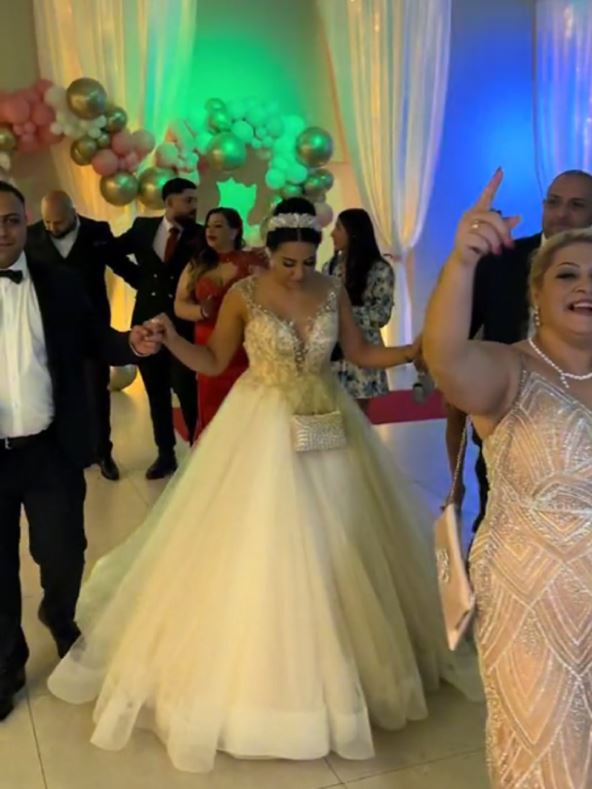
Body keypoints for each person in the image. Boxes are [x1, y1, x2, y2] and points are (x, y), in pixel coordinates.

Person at [48, 198, 481, 773]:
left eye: (307, 262)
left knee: (342, 539)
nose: (298, 273)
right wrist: (170, 340)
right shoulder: (244, 295)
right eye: (287, 262)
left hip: (328, 420)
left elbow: (358, 352)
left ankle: (350, 668)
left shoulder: (331, 289)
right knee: (266, 544)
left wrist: (410, 350)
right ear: (268, 252)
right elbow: (213, 361)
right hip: (262, 423)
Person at [423, 168, 592, 787]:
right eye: (567, 275)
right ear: (535, 294)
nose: (585, 286)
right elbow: (446, 360)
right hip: (533, 601)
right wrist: (461, 263)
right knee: (550, 759)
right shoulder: (507, 369)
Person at [0, 181, 161, 722]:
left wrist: (130, 342)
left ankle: (59, 614)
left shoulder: (59, 282)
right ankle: (7, 663)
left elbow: (97, 337)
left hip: (50, 448)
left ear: (26, 224)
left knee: (64, 551)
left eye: (11, 220)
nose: (3, 231)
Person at [444, 169, 592, 524]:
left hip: (583, 432)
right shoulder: (500, 261)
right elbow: (457, 340)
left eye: (576, 205)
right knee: (499, 519)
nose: (561, 214)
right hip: (506, 427)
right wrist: (461, 262)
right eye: (553, 202)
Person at [26, 190, 140, 481]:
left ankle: (102, 453)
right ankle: (57, 452)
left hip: (92, 327)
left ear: (73, 213)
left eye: (58, 222)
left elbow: (121, 265)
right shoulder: (31, 236)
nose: (52, 228)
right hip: (49, 330)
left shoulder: (97, 231)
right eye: (47, 222)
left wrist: (154, 289)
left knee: (96, 391)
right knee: (52, 391)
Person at [114, 177, 204, 479]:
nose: (194, 206)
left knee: (187, 389)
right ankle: (165, 454)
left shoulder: (200, 235)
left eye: (195, 200)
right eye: (188, 200)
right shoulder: (142, 228)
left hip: (183, 326)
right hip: (147, 322)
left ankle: (199, 449)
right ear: (169, 202)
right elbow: (114, 252)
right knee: (155, 391)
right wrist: (138, 280)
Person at [175, 207, 266, 437]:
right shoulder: (198, 264)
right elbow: (179, 305)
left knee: (247, 416)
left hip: (245, 350)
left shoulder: (253, 261)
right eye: (208, 226)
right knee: (213, 414)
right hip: (208, 349)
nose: (210, 231)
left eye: (218, 226)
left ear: (235, 231)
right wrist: (201, 311)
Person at [323, 209, 394, 413]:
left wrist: (345, 312)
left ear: (353, 233)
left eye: (338, 228)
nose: (332, 234)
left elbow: (381, 315)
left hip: (363, 352)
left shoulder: (380, 270)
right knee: (333, 415)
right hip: (334, 352)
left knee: (357, 419)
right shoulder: (330, 267)